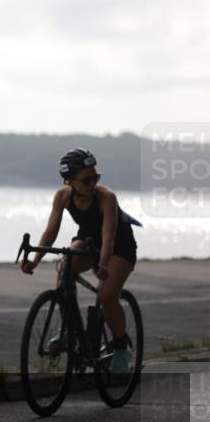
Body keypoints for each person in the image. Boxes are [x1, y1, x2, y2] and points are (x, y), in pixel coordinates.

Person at [19, 148, 137, 373]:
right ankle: (69, 331)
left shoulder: (106, 198)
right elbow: (51, 232)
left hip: (119, 245)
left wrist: (102, 266)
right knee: (65, 268)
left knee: (107, 295)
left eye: (95, 177)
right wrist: (34, 261)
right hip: (89, 238)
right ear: (69, 181)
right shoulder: (62, 196)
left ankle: (122, 348)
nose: (93, 183)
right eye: (86, 180)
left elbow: (109, 239)